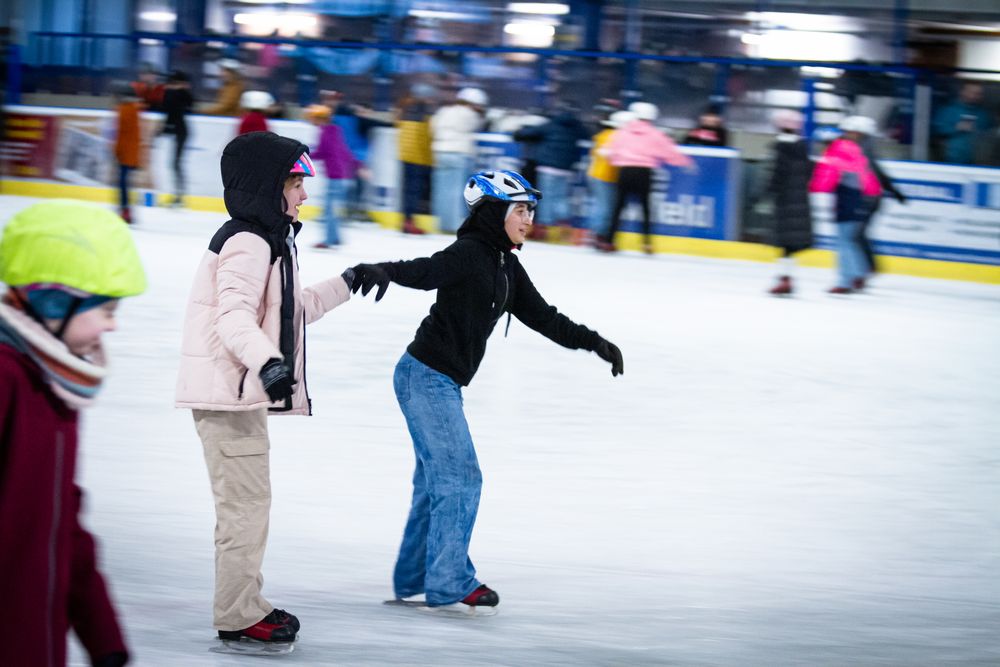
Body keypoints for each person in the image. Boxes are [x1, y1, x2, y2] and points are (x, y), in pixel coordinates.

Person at [347, 170, 624, 612]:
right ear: (495, 213)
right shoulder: (470, 253)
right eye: (521, 210)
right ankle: (449, 579)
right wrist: (382, 270)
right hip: (425, 378)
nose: (529, 219)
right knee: (460, 477)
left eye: (531, 210)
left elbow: (545, 318)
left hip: (440, 382)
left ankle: (415, 576)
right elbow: (426, 270)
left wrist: (595, 342)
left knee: (435, 483)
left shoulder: (505, 265)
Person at [175, 131, 373, 646]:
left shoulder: (267, 240)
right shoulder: (248, 242)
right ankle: (239, 613)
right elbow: (233, 318)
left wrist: (349, 281)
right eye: (295, 184)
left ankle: (241, 605)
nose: (304, 195)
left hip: (237, 392)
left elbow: (290, 310)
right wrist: (267, 364)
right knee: (244, 508)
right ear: (268, 185)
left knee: (248, 506)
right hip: (229, 392)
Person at [0, 199, 147, 667]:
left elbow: (61, 524)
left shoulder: (54, 387)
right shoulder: (8, 380)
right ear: (55, 301)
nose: (113, 325)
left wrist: (103, 636)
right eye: (106, 308)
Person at [600, 101, 694, 253]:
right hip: (644, 173)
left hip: (625, 171)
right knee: (645, 208)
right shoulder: (654, 134)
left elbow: (610, 150)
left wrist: (614, 158)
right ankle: (647, 243)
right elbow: (669, 151)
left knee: (618, 208)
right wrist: (685, 163)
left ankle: (609, 241)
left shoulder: (623, 132)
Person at [809, 117, 882, 294]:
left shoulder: (843, 152)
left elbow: (830, 179)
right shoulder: (857, 151)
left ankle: (846, 280)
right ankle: (857, 274)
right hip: (855, 200)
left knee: (845, 241)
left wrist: (815, 184)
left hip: (850, 201)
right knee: (849, 240)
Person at [843, 115, 908, 285]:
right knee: (856, 235)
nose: (847, 135)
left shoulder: (862, 150)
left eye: (851, 132)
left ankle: (867, 269)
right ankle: (864, 271)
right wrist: (895, 192)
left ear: (860, 133)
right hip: (867, 197)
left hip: (868, 198)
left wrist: (894, 191)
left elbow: (876, 173)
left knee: (856, 235)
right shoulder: (862, 148)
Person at [512, 103, 589, 240]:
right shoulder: (577, 127)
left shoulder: (550, 125)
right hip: (566, 168)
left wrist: (519, 131)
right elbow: (588, 135)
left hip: (547, 167)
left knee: (547, 198)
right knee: (562, 197)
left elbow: (525, 134)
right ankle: (565, 224)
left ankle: (543, 228)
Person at [762, 110, 814, 296]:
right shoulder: (802, 146)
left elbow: (777, 174)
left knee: (784, 242)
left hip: (785, 200)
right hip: (799, 200)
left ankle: (785, 279)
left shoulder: (781, 146)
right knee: (789, 245)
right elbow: (809, 171)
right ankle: (786, 278)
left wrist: (764, 193)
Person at [430, 87, 488, 233]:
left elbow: (432, 126)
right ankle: (452, 225)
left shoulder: (443, 111)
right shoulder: (470, 115)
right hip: (459, 153)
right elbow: (480, 124)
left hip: (440, 151)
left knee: (441, 191)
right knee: (455, 192)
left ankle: (442, 223)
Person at [306, 102, 358, 248]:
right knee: (334, 208)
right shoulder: (336, 131)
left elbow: (323, 152)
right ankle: (335, 237)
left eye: (313, 117)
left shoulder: (325, 131)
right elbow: (345, 152)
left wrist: (304, 155)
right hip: (343, 176)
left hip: (335, 177)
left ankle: (329, 240)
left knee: (330, 209)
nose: (311, 120)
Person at [586, 109, 633, 247]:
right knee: (605, 207)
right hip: (603, 176)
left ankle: (599, 234)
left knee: (606, 207)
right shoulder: (612, 136)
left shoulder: (606, 134)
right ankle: (598, 234)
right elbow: (604, 153)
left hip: (604, 176)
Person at [396, 83, 436, 234]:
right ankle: (409, 222)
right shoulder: (423, 110)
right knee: (414, 191)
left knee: (407, 190)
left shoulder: (405, 108)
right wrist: (429, 159)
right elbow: (424, 137)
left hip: (405, 155)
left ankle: (406, 221)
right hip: (418, 156)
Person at [932, 82, 993, 165]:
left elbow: (991, 134)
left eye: (978, 93)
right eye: (971, 92)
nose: (974, 96)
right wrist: (956, 128)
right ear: (962, 92)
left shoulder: (984, 115)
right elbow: (936, 130)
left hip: (979, 161)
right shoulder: (948, 110)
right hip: (950, 160)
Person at [160, 69, 194, 208]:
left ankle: (179, 195)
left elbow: (189, 104)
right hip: (178, 131)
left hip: (181, 132)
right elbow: (166, 108)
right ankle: (178, 194)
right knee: (174, 164)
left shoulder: (180, 95)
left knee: (176, 163)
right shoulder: (171, 94)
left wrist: (180, 90)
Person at [113, 81, 142, 224]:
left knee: (122, 183)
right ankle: (126, 210)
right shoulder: (135, 109)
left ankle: (125, 211)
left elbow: (121, 134)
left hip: (124, 154)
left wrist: (117, 151)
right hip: (132, 154)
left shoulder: (123, 110)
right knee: (124, 183)